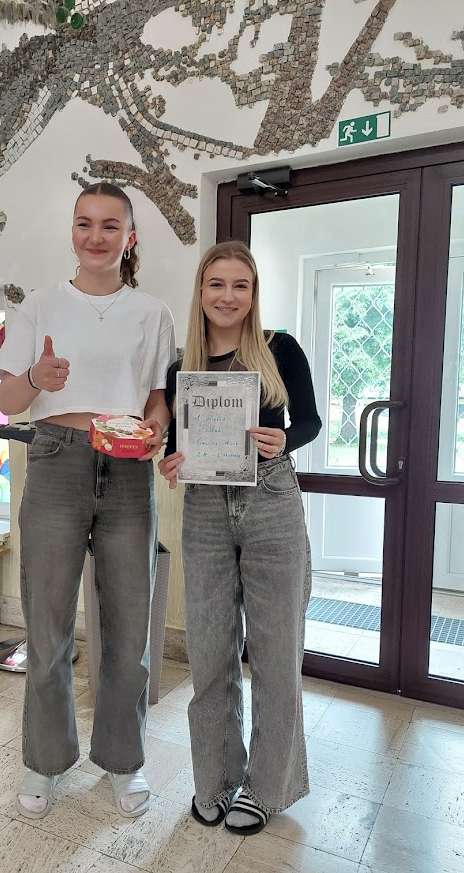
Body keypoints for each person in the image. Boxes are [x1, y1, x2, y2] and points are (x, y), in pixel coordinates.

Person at [0, 182, 175, 820]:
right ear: (71, 231)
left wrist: (156, 428)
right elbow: (8, 402)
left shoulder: (151, 312)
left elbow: (157, 398)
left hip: (127, 468)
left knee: (128, 628)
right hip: (55, 459)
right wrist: (35, 378)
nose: (95, 236)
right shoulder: (39, 306)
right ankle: (44, 762)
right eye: (84, 223)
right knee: (46, 625)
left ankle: (124, 761)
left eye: (109, 225)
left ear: (130, 237)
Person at [159, 241, 321, 835]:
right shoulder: (182, 370)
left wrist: (286, 441)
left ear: (253, 295)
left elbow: (309, 420)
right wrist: (171, 461)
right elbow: (178, 443)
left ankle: (268, 787)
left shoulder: (280, 349)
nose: (227, 297)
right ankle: (216, 779)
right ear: (201, 291)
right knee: (209, 655)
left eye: (240, 286)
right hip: (204, 507)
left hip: (270, 501)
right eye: (217, 284)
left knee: (276, 655)